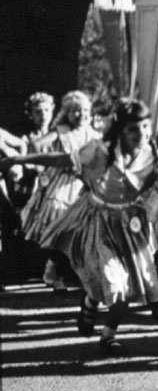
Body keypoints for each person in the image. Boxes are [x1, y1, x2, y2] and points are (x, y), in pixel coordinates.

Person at [2, 98, 158, 355]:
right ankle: (91, 300)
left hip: (132, 228)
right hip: (99, 224)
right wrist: (20, 158)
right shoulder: (100, 151)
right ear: (120, 130)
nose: (141, 134)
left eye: (146, 127)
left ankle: (108, 334)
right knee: (111, 282)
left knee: (126, 290)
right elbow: (62, 160)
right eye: (133, 128)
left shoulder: (157, 159)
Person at [20, 91, 100, 289]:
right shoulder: (61, 130)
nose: (81, 115)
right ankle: (53, 268)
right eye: (75, 111)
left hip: (85, 186)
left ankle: (69, 272)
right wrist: (48, 164)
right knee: (59, 230)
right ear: (67, 113)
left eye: (84, 110)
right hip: (62, 185)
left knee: (81, 231)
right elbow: (37, 145)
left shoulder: (94, 134)